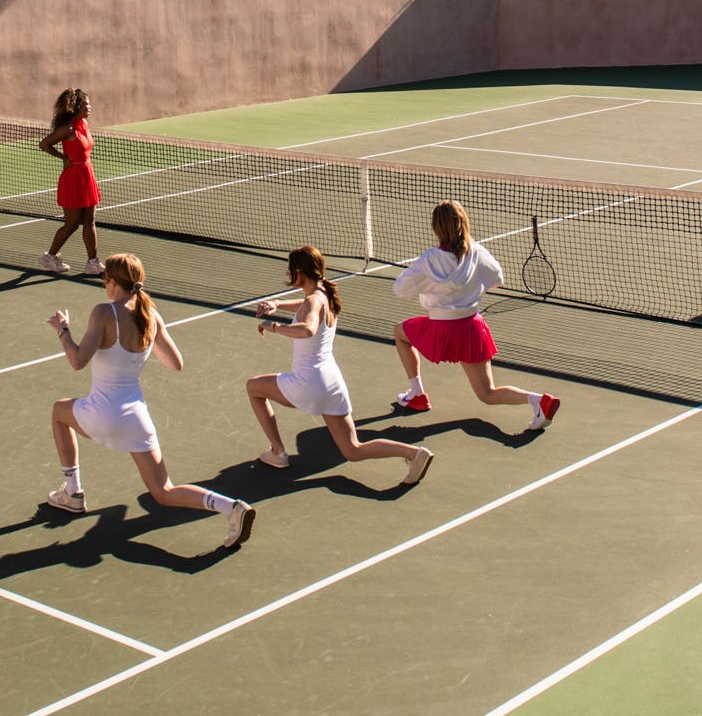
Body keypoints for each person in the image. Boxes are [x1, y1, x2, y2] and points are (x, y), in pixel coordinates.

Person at [45, 254, 256, 549]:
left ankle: (72, 492)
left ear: (113, 281)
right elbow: (175, 363)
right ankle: (231, 507)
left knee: (59, 411)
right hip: (136, 419)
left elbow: (77, 361)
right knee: (164, 491)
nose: (103, 282)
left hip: (102, 414)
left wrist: (63, 330)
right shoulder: (151, 316)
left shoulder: (104, 312)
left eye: (105, 278)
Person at [246, 245, 434, 485]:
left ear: (300, 272)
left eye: (290, 269)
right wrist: (278, 304)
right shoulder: (323, 291)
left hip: (307, 382)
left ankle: (278, 452)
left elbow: (307, 329)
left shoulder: (313, 300)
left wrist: (274, 326)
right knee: (353, 449)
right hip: (331, 382)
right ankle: (414, 454)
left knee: (253, 387)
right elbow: (307, 304)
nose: (287, 273)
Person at [388, 200, 560, 430]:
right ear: (463, 223)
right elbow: (497, 279)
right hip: (471, 328)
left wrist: (428, 286)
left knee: (400, 333)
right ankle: (539, 400)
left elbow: (400, 290)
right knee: (487, 393)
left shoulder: (429, 259)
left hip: (440, 329)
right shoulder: (477, 252)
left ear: (436, 228)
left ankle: (417, 393)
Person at [37, 88, 101, 274]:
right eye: (86, 104)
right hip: (73, 178)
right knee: (72, 224)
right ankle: (49, 257)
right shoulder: (68, 129)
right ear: (77, 107)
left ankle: (93, 263)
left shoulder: (84, 124)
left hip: (87, 175)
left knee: (90, 221)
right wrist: (63, 157)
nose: (89, 107)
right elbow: (44, 144)